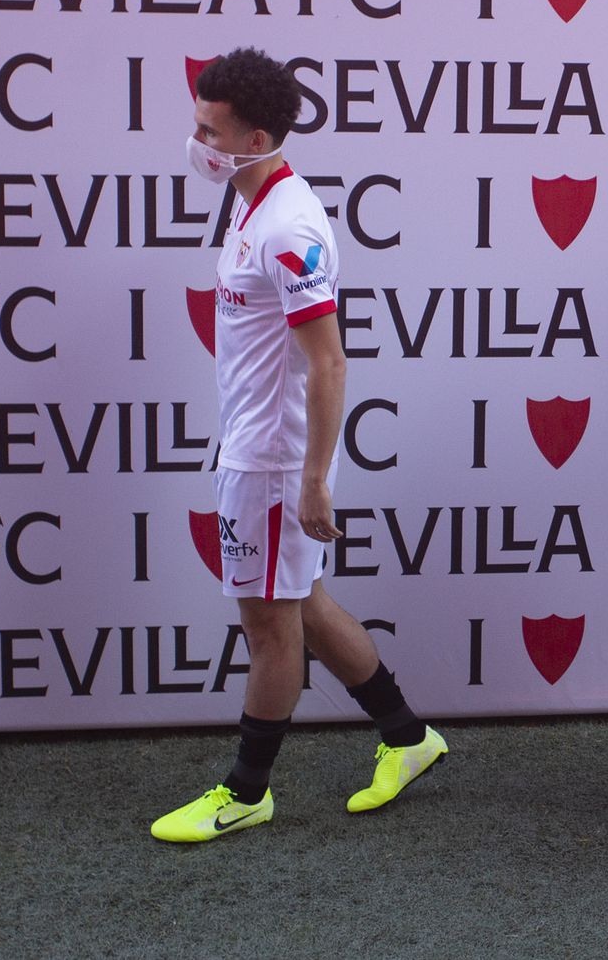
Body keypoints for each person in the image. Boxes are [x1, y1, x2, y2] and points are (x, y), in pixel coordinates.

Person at [151, 47, 446, 843]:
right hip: (256, 448)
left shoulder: (287, 225)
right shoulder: (252, 201)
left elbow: (329, 359)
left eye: (210, 131)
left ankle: (247, 789)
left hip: (274, 461)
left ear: (257, 138)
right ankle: (409, 737)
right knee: (302, 606)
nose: (196, 142)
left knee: (269, 625)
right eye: (197, 123)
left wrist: (312, 478)